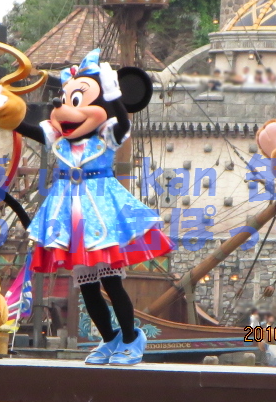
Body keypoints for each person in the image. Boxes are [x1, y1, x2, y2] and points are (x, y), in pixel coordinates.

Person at [14, 49, 174, 365]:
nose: (66, 109)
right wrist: (5, 114)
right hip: (70, 215)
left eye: (78, 101)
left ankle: (131, 338)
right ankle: (110, 339)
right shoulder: (59, 140)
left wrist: (114, 96)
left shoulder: (105, 136)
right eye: (66, 101)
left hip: (101, 210)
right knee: (87, 286)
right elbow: (29, 129)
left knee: (111, 281)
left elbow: (122, 124)